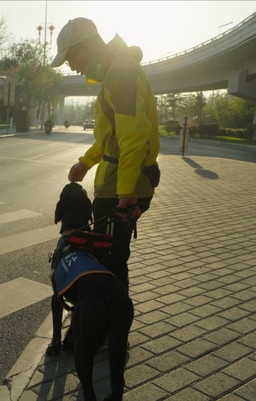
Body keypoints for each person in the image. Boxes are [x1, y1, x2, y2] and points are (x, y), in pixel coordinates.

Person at [50, 18, 161, 345]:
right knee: (108, 259)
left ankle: (109, 332)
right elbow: (111, 136)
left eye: (71, 59)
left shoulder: (122, 72)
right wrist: (86, 162)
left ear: (86, 45)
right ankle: (106, 329)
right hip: (117, 182)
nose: (72, 67)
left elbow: (133, 137)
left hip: (120, 188)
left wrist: (126, 196)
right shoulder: (117, 70)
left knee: (108, 263)